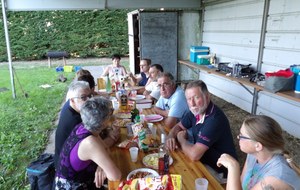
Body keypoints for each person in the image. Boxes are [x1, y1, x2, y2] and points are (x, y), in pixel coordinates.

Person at [165, 80, 237, 177]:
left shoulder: (214, 119)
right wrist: (170, 136)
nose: (192, 103)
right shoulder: (196, 111)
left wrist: (182, 140)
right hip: (202, 161)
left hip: (218, 171)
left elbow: (194, 155)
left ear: (207, 97)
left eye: (196, 97)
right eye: (189, 99)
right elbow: (178, 126)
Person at [54, 81, 119, 187]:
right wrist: (103, 163)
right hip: (75, 186)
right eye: (110, 113)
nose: (112, 116)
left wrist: (102, 164)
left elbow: (104, 148)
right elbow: (115, 176)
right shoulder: (90, 142)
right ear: (103, 123)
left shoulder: (83, 126)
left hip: (75, 177)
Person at [217, 115, 300, 190]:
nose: (238, 137)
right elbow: (242, 184)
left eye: (242, 136)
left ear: (258, 146)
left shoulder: (276, 178)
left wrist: (233, 167)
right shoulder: (253, 154)